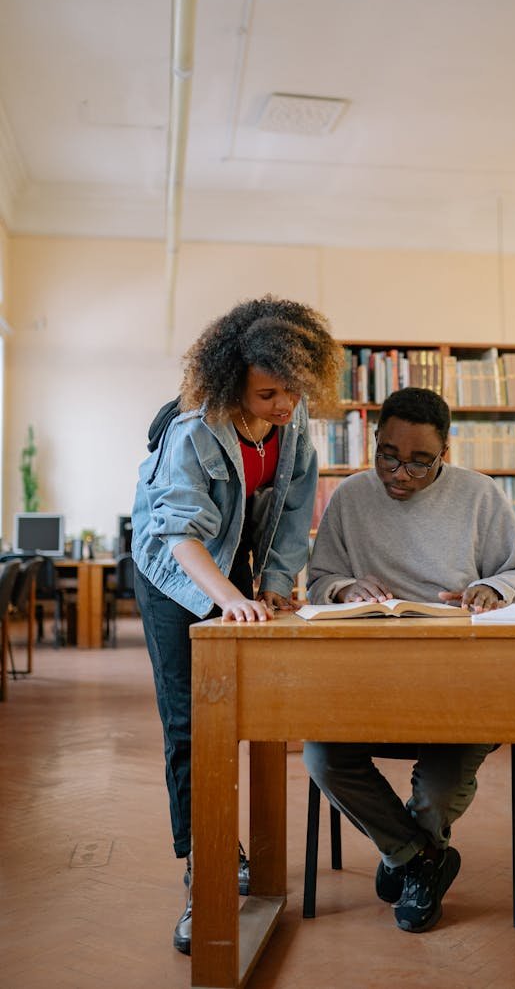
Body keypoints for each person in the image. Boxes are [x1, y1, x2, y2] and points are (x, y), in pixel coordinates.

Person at [131, 294, 341, 955]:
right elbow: (179, 534)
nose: (285, 406)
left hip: (233, 562)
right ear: (231, 384)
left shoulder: (293, 415)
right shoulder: (195, 428)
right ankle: (206, 872)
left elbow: (293, 510)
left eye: (294, 391)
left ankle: (245, 848)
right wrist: (228, 598)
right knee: (190, 721)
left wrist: (273, 589)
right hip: (174, 569)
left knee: (250, 711)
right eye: (268, 393)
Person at [303, 386, 515, 934]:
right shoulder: (349, 498)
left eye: (420, 462)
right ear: (375, 441)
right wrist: (344, 589)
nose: (400, 474)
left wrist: (494, 589)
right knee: (321, 757)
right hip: (368, 681)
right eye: (388, 455)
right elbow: (317, 583)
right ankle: (421, 860)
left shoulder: (480, 496)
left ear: (446, 454)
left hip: (463, 683)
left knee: (439, 790)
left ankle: (406, 854)